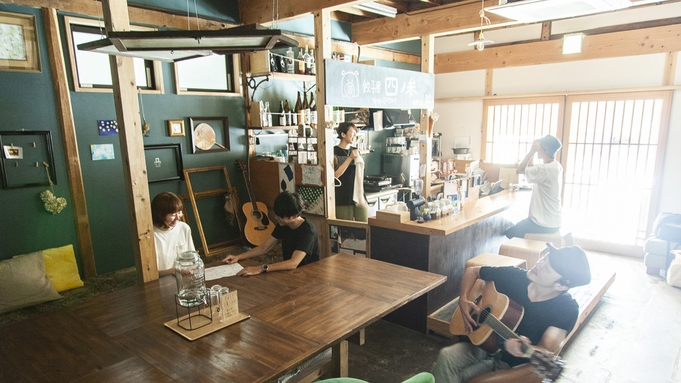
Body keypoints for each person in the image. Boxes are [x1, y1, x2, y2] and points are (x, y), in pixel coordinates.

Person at [431, 244, 591, 383]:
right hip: (485, 344)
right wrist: (464, 299)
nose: (539, 264)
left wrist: (525, 348)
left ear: (560, 286)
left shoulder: (566, 309)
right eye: (545, 258)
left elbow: (545, 349)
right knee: (446, 356)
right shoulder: (516, 277)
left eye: (547, 268)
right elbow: (473, 271)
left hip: (512, 364)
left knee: (464, 377)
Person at [222, 191, 319, 276]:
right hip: (290, 274)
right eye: (277, 214)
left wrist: (260, 268)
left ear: (294, 216)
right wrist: (238, 257)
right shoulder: (283, 225)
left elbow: (293, 263)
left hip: (308, 276)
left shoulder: (308, 232)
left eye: (280, 216)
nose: (277, 218)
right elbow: (263, 248)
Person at [506, 134, 563, 239]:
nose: (537, 150)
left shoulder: (544, 169)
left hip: (542, 223)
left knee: (510, 233)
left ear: (546, 150)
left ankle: (527, 253)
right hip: (554, 221)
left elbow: (520, 170)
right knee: (517, 228)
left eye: (539, 148)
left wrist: (531, 152)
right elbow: (532, 170)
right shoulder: (556, 166)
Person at [151, 192, 195, 277]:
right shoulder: (152, 235)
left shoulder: (184, 228)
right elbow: (152, 273)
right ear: (160, 215)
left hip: (185, 278)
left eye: (179, 212)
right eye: (173, 214)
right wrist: (173, 271)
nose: (178, 217)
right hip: (163, 282)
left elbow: (192, 258)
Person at [333, 122, 369, 222]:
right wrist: (350, 158)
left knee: (364, 227)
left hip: (359, 196)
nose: (355, 135)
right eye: (352, 133)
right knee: (345, 230)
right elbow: (335, 175)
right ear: (343, 134)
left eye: (355, 133)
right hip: (343, 197)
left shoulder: (355, 150)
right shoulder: (334, 152)